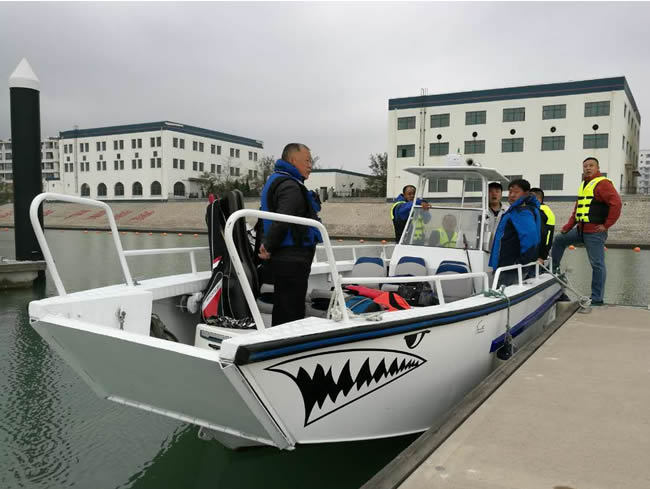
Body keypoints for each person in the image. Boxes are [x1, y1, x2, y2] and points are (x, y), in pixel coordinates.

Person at [258, 143, 322, 326]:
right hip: (292, 257)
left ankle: (280, 336)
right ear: (293, 160)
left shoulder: (277, 181)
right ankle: (288, 340)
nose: (310, 165)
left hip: (286, 257)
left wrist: (267, 244)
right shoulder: (290, 186)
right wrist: (268, 246)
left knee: (284, 305)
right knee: (291, 309)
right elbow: (282, 219)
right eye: (307, 161)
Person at [551, 157, 622, 306]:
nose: (588, 168)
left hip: (595, 232)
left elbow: (616, 204)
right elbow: (578, 209)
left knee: (597, 264)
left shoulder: (603, 184)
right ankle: (553, 269)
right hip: (580, 230)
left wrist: (606, 225)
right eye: (585, 166)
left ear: (598, 168)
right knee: (559, 239)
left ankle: (597, 299)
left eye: (591, 165)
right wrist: (568, 226)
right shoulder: (585, 184)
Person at [489, 179, 541, 286]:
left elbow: (531, 240)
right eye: (510, 192)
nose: (512, 195)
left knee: (500, 292)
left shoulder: (521, 212)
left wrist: (519, 263)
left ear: (526, 193)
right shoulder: (516, 211)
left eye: (516, 192)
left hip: (510, 269)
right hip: (508, 266)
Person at [530, 187, 555, 263]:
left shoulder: (539, 211)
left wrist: (541, 256)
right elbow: (548, 237)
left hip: (536, 254)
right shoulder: (547, 210)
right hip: (542, 253)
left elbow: (544, 234)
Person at [485, 181, 509, 250]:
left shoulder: (508, 211)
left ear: (501, 194)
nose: (494, 194)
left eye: (497, 191)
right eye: (490, 191)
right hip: (485, 249)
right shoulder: (483, 211)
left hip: (502, 250)